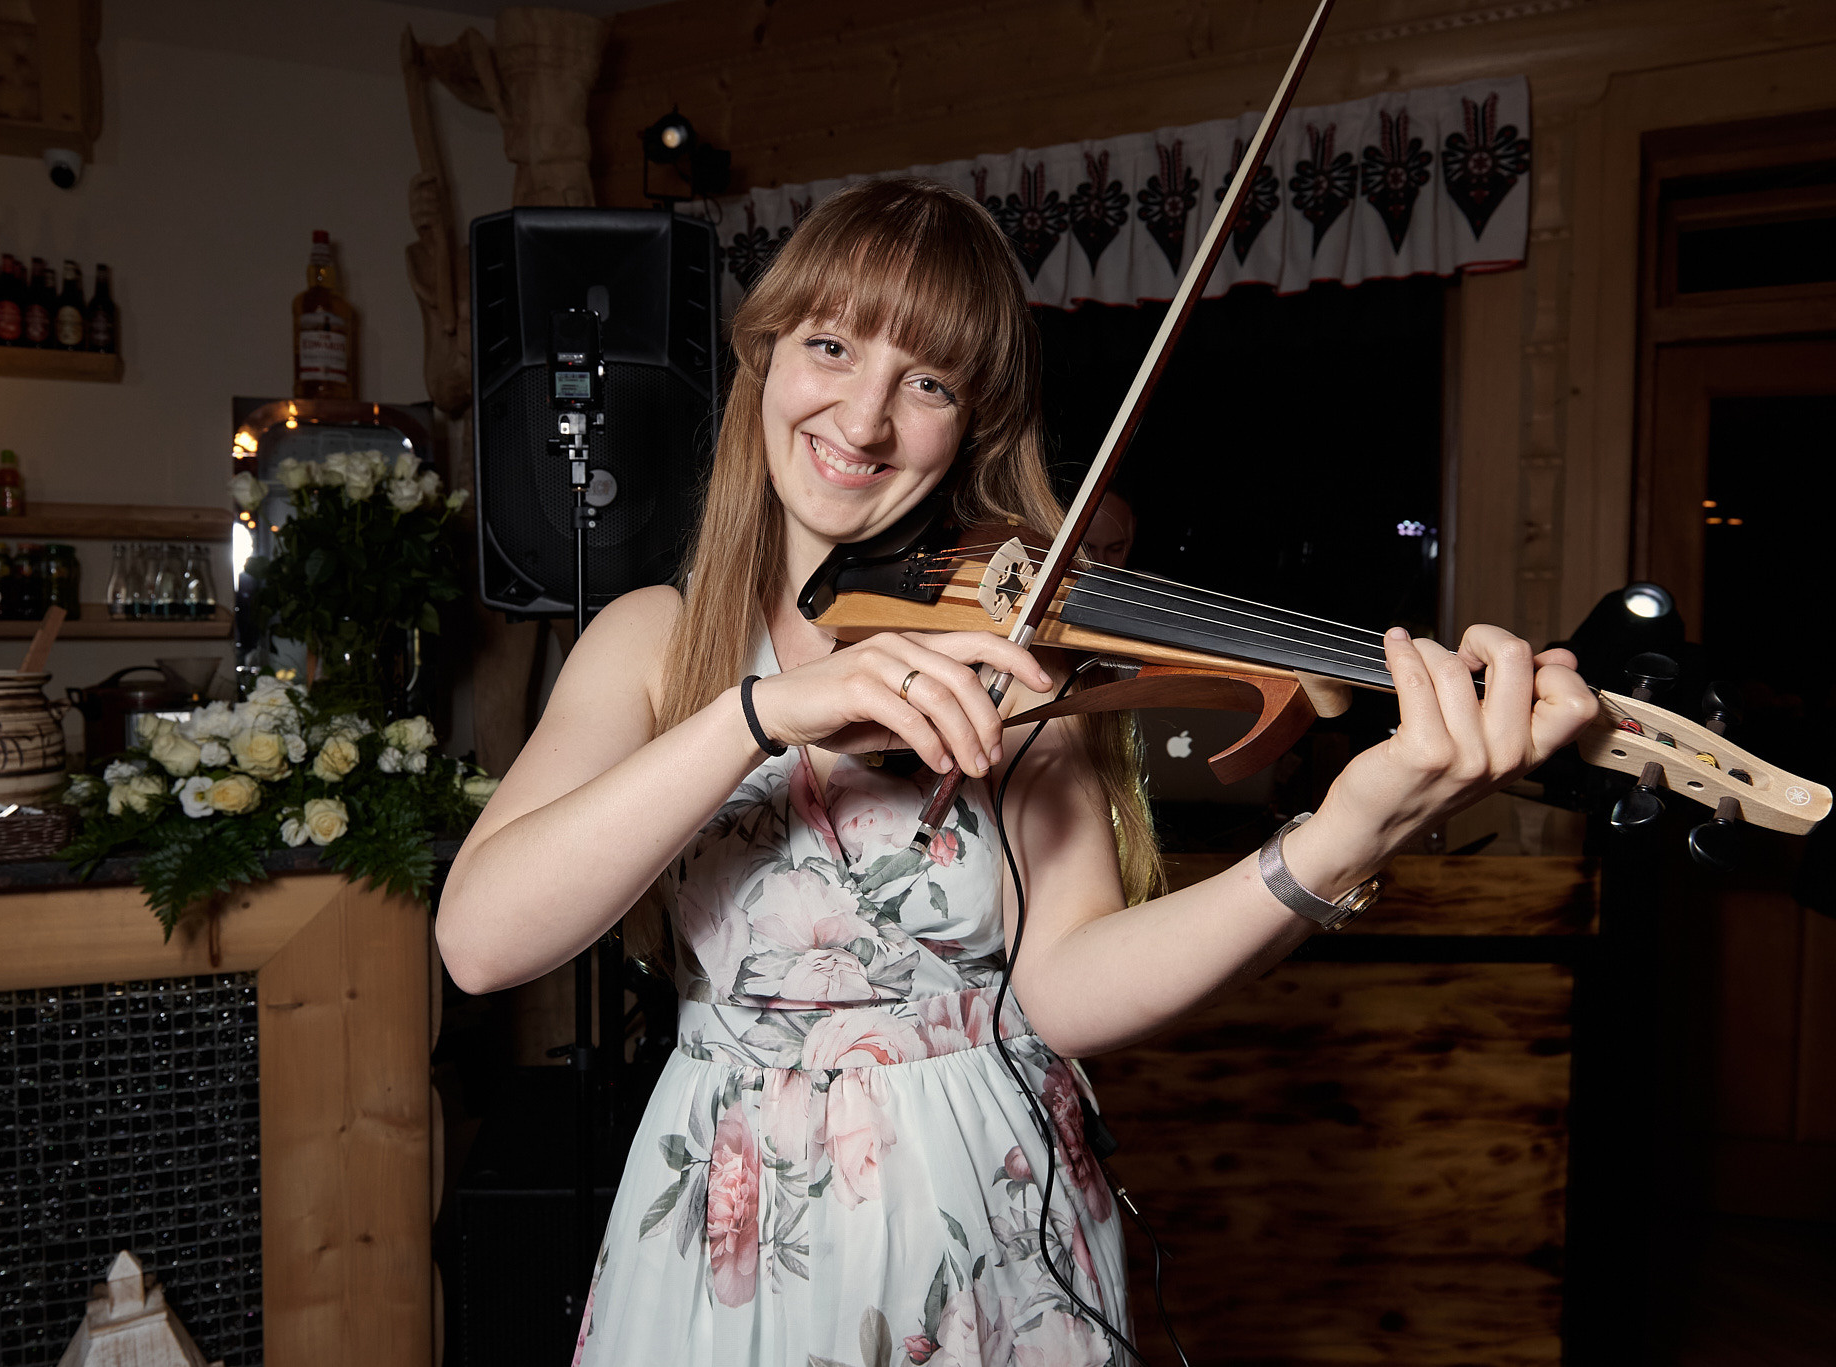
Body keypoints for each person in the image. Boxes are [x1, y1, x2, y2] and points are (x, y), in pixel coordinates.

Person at [436, 177, 1595, 1366]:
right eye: (829, 345)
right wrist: (759, 712)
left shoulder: (1015, 654)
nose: (864, 416)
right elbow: (481, 940)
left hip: (982, 1212)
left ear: (971, 424)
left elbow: (1067, 992)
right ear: (765, 355)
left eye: (926, 381)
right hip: (738, 1218)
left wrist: (1336, 840)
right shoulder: (650, 641)